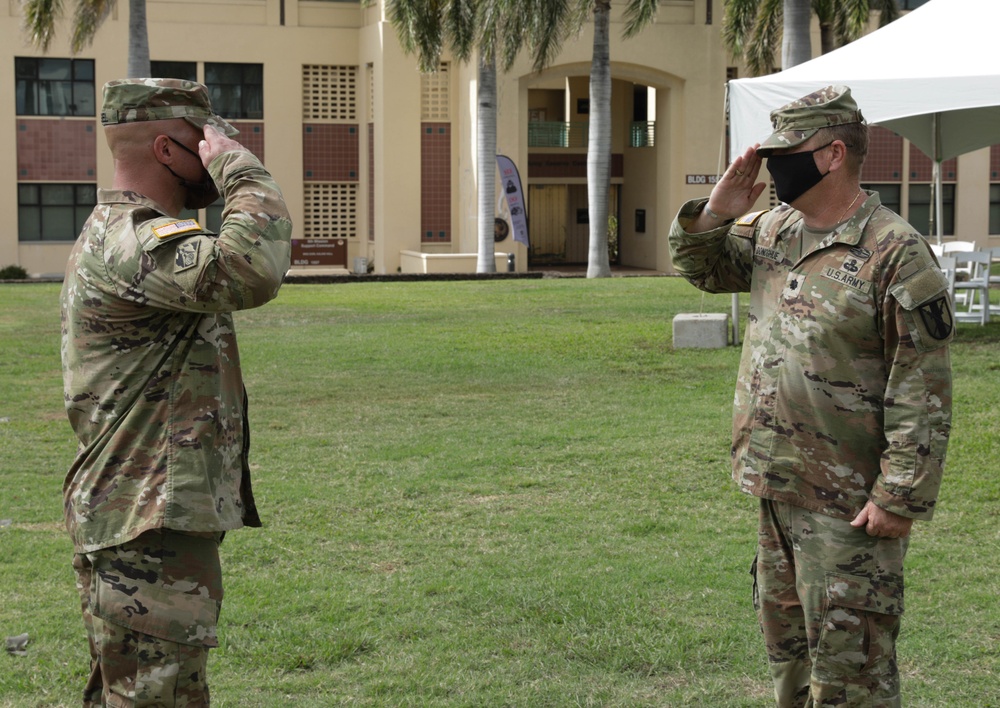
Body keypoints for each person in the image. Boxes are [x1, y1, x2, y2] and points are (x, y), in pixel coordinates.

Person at [668, 85, 952, 706]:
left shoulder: (894, 252)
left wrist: (899, 495)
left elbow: (921, 386)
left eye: (785, 151)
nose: (771, 164)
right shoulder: (774, 229)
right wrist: (716, 212)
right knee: (789, 663)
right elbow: (705, 269)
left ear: (832, 154)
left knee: (854, 673)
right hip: (776, 484)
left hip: (848, 501)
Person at [60, 78, 292, 706]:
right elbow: (252, 267)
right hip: (145, 518)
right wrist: (240, 168)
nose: (217, 151)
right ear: (168, 150)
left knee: (142, 693)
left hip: (142, 513)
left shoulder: (133, 234)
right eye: (206, 140)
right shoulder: (136, 237)